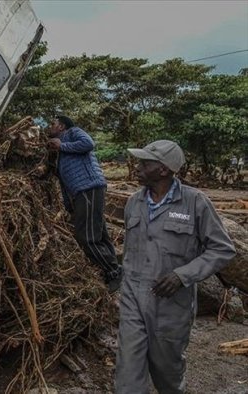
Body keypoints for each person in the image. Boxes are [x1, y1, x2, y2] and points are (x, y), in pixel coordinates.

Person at [116, 140, 235, 394]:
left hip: (171, 304)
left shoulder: (195, 203)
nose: (137, 167)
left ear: (164, 170)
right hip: (132, 298)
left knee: (167, 373)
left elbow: (222, 249)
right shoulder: (134, 203)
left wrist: (183, 276)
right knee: (128, 374)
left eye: (144, 163)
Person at [47, 115, 123, 291]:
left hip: (88, 186)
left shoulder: (73, 132)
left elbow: (88, 144)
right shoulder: (60, 153)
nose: (49, 127)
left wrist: (62, 145)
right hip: (80, 192)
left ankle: (114, 271)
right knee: (100, 233)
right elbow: (63, 181)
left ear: (61, 126)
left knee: (86, 237)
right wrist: (68, 204)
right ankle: (112, 272)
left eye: (52, 123)